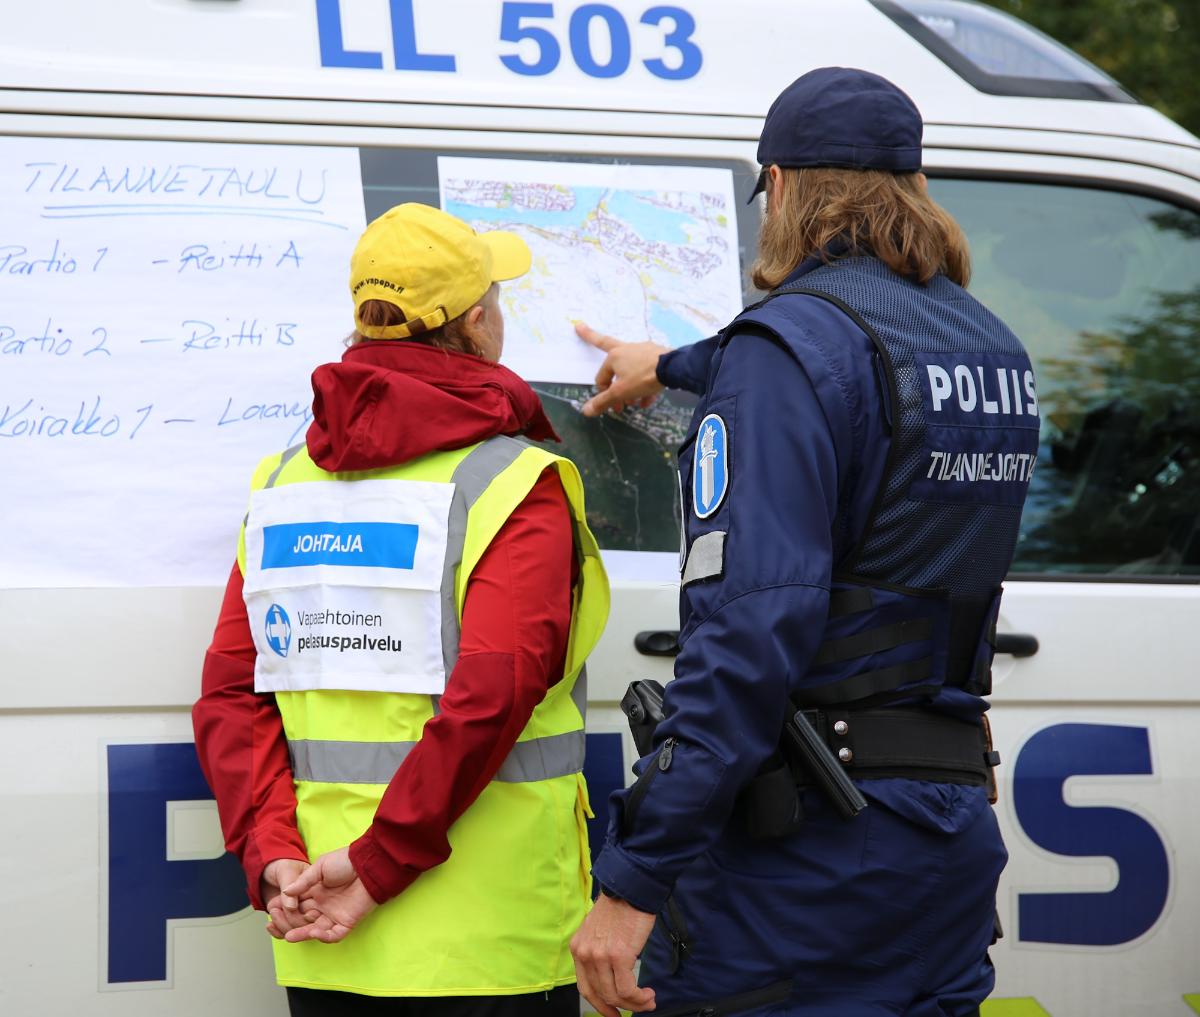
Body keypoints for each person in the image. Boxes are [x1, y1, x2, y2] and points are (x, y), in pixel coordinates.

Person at [569, 67, 1038, 1017]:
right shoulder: (988, 345)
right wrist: (679, 364)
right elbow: (851, 378)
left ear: (779, 187)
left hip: (807, 865)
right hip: (939, 840)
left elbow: (747, 644)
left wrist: (633, 880)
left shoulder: (785, 355)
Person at [193, 202, 610, 1016]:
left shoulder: (284, 485)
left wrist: (276, 854)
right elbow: (491, 697)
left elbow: (233, 696)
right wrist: (380, 863)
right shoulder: (513, 484)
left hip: (323, 934)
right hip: (490, 944)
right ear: (480, 324)